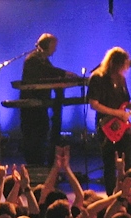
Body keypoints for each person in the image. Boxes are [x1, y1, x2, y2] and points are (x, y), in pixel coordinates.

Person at [88, 47, 131, 195]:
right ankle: (111, 195)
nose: (125, 69)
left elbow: (125, 103)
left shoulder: (121, 79)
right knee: (109, 162)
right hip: (106, 125)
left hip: (123, 126)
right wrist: (116, 113)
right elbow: (94, 104)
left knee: (128, 160)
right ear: (115, 64)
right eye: (123, 65)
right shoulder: (97, 78)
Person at [20, 34, 77, 166]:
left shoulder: (42, 59)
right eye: (53, 46)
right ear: (46, 45)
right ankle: (34, 165)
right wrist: (65, 74)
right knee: (34, 135)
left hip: (40, 104)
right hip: (32, 106)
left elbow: (49, 73)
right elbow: (47, 71)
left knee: (42, 133)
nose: (55, 50)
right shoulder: (33, 59)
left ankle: (40, 163)